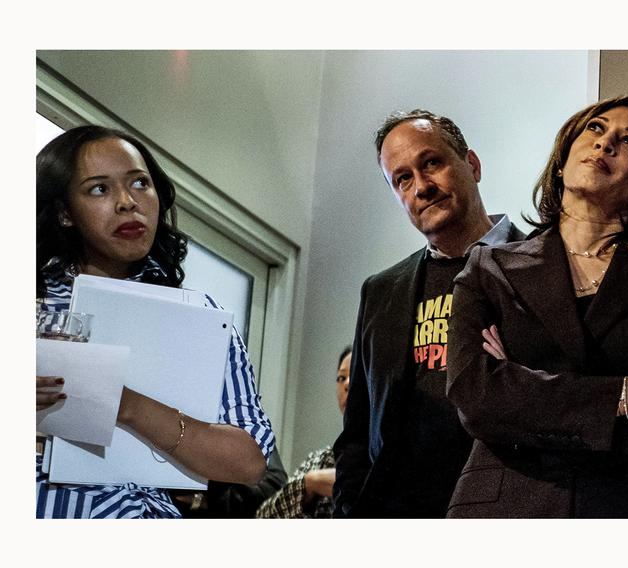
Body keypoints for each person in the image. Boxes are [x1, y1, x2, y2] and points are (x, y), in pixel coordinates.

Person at [446, 95, 628, 518]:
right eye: (595, 128)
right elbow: (478, 398)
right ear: (562, 161)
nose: (605, 143)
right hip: (508, 508)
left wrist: (522, 387)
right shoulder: (488, 267)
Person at [36, 125, 275, 518]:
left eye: (140, 184)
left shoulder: (201, 316)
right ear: (64, 212)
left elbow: (249, 462)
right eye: (100, 189)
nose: (128, 202)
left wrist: (125, 404)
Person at [332, 110, 525, 518]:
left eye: (431, 163)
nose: (421, 187)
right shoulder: (380, 292)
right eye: (402, 179)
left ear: (471, 165)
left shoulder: (544, 266)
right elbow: (357, 434)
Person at [256, 346, 352, 518]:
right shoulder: (322, 460)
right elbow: (263, 517)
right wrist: (310, 482)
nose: (347, 384)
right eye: (341, 377)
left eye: (358, 374)